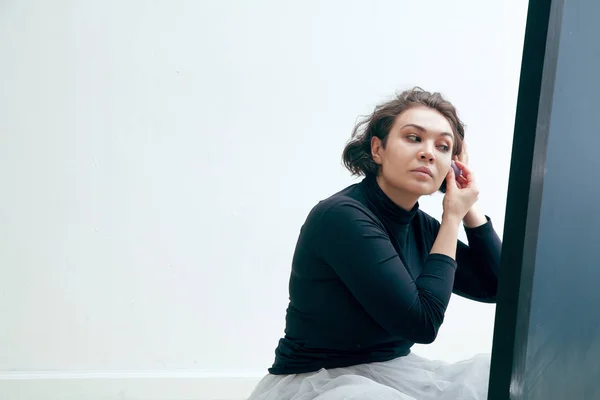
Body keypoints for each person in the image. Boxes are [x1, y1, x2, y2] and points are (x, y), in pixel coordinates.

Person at [247, 87, 502, 400]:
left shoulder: (419, 225)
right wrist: (451, 218)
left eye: (443, 146)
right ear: (377, 149)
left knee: (504, 376)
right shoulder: (342, 218)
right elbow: (421, 325)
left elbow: (499, 288)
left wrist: (468, 208)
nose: (428, 152)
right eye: (413, 137)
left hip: (394, 372)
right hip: (321, 381)